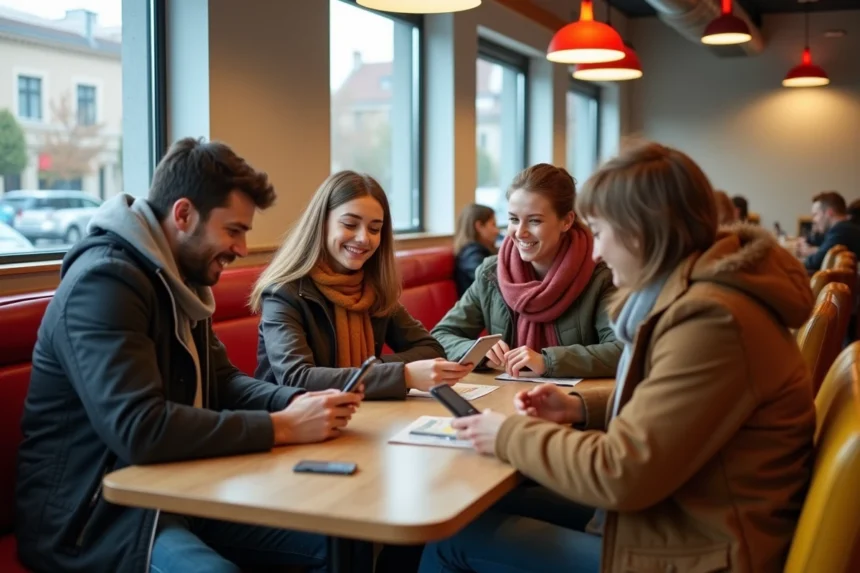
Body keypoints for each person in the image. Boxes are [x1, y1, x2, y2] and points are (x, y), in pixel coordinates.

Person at [421, 142, 815, 573]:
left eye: (600, 232)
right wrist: (578, 406)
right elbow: (669, 405)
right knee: (484, 504)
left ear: (640, 232)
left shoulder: (712, 321)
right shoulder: (708, 300)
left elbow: (621, 473)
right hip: (678, 514)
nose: (595, 252)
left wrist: (506, 434)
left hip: (698, 548)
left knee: (451, 540)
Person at [15, 138, 364, 573]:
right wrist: (283, 426)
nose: (242, 248)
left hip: (181, 487)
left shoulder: (180, 279)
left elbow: (223, 381)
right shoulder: (104, 283)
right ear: (183, 215)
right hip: (95, 519)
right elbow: (139, 429)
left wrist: (298, 402)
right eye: (234, 230)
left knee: (345, 543)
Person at [250, 171, 469, 399]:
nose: (364, 238)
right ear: (322, 223)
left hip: (359, 410)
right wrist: (401, 375)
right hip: (289, 416)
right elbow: (297, 378)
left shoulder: (373, 289)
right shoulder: (282, 292)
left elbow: (431, 350)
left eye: (374, 229)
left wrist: (373, 369)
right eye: (350, 224)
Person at [431, 163, 621, 379]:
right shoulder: (491, 273)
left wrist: (547, 361)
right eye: (513, 219)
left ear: (567, 221)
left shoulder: (602, 274)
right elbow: (440, 336)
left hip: (578, 397)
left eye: (534, 221)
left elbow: (622, 349)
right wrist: (478, 351)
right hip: (507, 393)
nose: (520, 232)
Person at [797, 190, 860, 271]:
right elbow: (818, 241)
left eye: (815, 214)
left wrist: (792, 261)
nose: (814, 220)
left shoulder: (841, 230)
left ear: (829, 212)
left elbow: (816, 262)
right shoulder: (844, 228)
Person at [453, 203, 499, 296]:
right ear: (479, 226)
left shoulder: (476, 250)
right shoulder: (471, 253)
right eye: (493, 224)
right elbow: (488, 280)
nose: (497, 231)